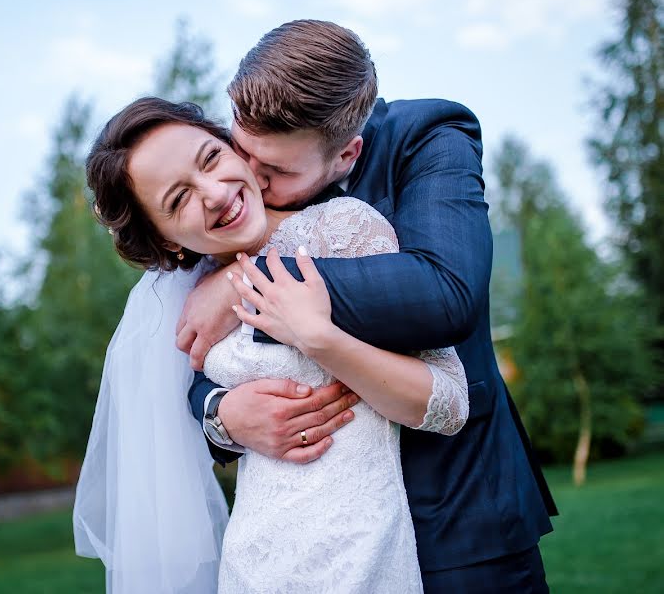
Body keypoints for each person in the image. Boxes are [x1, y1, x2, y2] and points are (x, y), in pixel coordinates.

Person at [179, 20, 557, 592]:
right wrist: (220, 415)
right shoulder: (222, 190)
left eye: (277, 172)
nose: (248, 183)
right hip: (304, 547)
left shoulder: (429, 135)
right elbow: (199, 354)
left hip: (456, 527)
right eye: (244, 151)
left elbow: (446, 292)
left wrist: (244, 282)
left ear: (346, 154)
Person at [74, 96, 470, 593]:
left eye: (211, 158)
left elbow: (450, 402)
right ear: (167, 242)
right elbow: (180, 419)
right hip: (256, 563)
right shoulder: (189, 305)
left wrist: (319, 339)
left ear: (236, 149)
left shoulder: (345, 229)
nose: (215, 194)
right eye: (178, 201)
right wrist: (225, 416)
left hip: (366, 555)